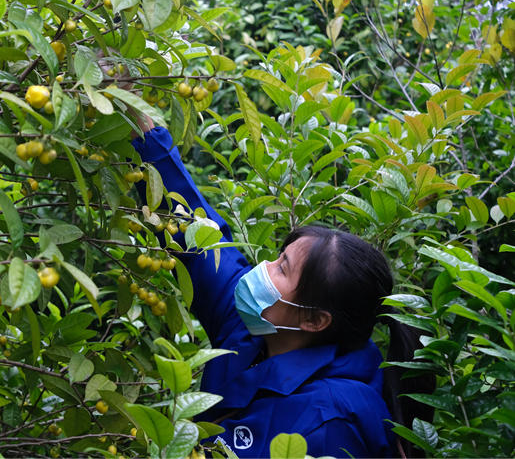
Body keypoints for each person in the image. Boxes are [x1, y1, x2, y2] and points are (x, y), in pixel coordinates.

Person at [131, 123, 430, 458]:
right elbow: (200, 246)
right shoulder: (255, 331)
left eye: (282, 269)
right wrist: (144, 135)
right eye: (278, 258)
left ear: (316, 320)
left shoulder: (332, 422)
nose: (262, 269)